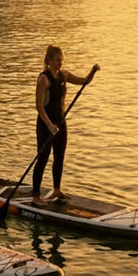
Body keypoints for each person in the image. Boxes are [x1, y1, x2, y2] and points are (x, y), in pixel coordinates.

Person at [31, 45, 99, 207]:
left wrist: (93, 71)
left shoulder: (64, 75)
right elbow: (39, 106)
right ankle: (35, 195)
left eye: (62, 60)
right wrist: (49, 125)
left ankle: (56, 189)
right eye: (57, 60)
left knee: (59, 156)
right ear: (49, 60)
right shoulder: (44, 79)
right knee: (43, 158)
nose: (60, 63)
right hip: (46, 124)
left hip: (61, 122)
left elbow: (84, 82)